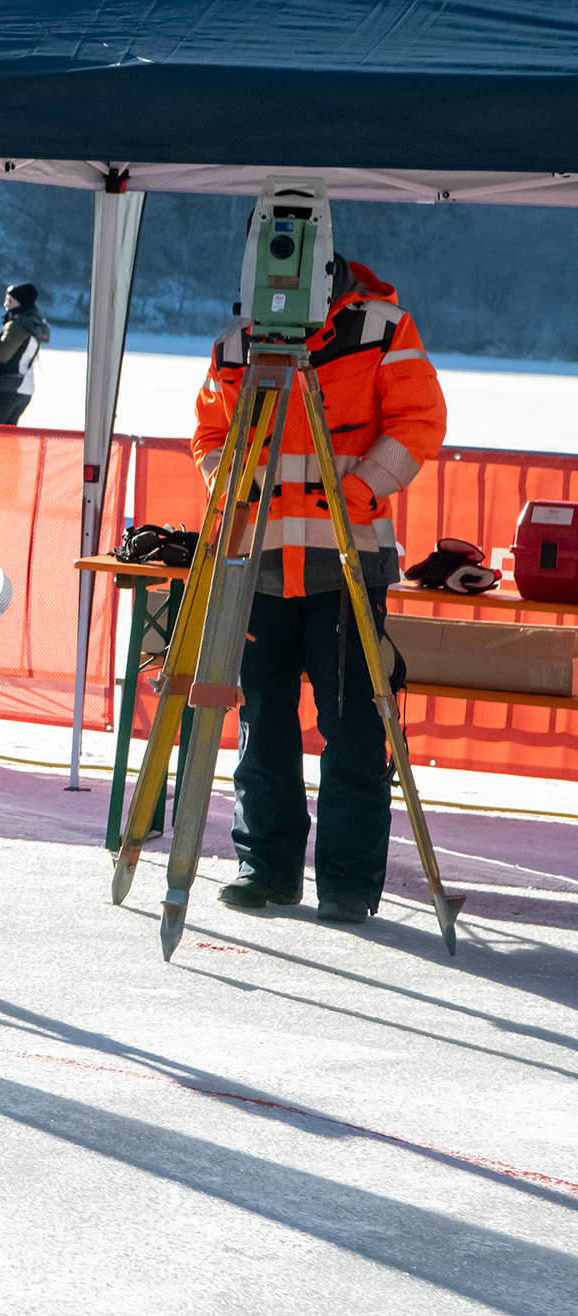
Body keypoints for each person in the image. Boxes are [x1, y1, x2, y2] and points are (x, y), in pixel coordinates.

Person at [192, 256, 445, 925]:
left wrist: (357, 492)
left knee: (355, 727)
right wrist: (231, 479)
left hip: (346, 564)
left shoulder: (381, 328)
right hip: (258, 563)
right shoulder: (237, 342)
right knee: (261, 720)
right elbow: (210, 434)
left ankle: (348, 882)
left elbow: (419, 421)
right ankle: (264, 867)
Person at [0, 282, 49, 425]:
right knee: (7, 439)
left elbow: (0, 356)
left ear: (20, 302)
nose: (5, 305)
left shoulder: (17, 325)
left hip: (5, 388)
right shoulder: (34, 324)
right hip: (25, 389)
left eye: (9, 300)